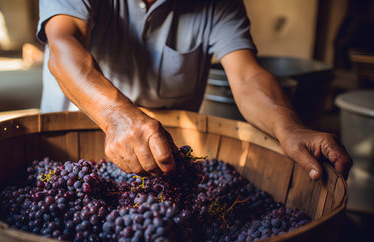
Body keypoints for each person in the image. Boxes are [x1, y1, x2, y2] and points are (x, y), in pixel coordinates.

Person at [37, 0, 352, 180]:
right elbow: (63, 45)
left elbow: (246, 76)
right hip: (76, 142)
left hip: (167, 153)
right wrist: (116, 116)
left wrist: (289, 128)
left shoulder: (219, 3)